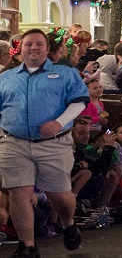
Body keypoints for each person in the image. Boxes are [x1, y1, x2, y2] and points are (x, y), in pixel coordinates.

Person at [0, 29, 87, 254]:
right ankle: (27, 246)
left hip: (53, 143)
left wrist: (59, 122)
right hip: (14, 142)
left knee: (59, 195)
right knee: (19, 193)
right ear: (20, 49)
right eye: (29, 44)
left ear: (48, 49)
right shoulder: (6, 78)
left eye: (40, 44)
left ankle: (68, 223)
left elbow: (80, 102)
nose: (34, 48)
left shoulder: (65, 73)